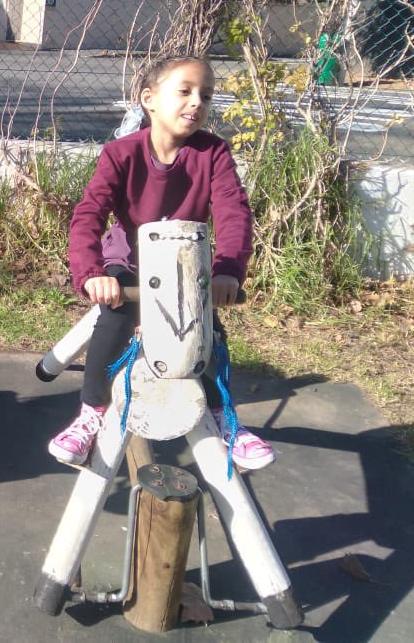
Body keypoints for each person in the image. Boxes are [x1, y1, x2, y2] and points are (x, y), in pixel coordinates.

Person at [47, 55, 274, 470]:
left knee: (207, 334)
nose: (197, 102)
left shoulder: (213, 154)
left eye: (206, 95)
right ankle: (90, 415)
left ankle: (227, 421)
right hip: (129, 263)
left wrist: (227, 270)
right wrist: (92, 273)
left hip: (184, 266)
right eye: (184, 91)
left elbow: (233, 212)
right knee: (113, 320)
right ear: (149, 99)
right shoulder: (121, 154)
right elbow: (88, 215)